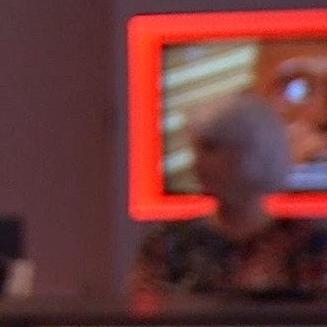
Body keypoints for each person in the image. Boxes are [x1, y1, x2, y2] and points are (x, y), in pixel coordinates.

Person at [129, 93, 327, 298]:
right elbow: (144, 311)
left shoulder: (310, 247)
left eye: (210, 149)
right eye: (196, 150)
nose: (197, 164)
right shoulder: (168, 243)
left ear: (253, 151)